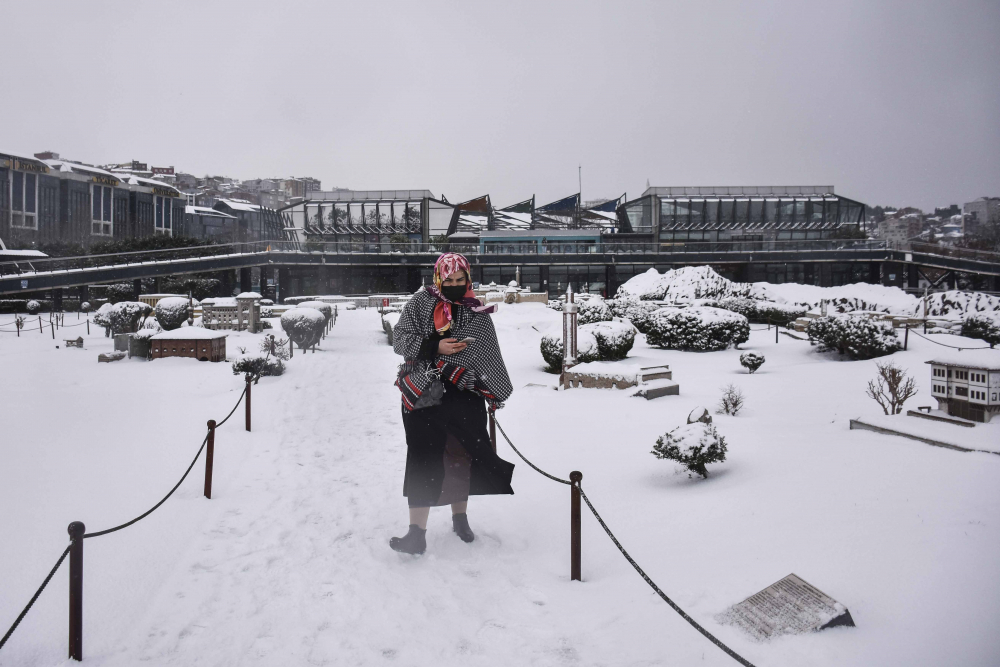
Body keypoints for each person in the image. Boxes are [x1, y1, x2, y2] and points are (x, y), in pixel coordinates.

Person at [389, 252, 515, 555]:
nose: (455, 284)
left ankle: (460, 519)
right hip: (425, 392)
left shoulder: (477, 311)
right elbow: (399, 340)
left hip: (465, 395)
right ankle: (416, 533)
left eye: (461, 280)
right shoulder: (420, 303)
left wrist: (491, 390)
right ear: (438, 278)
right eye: (449, 280)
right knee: (422, 458)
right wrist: (435, 345)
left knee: (462, 456)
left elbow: (488, 353)